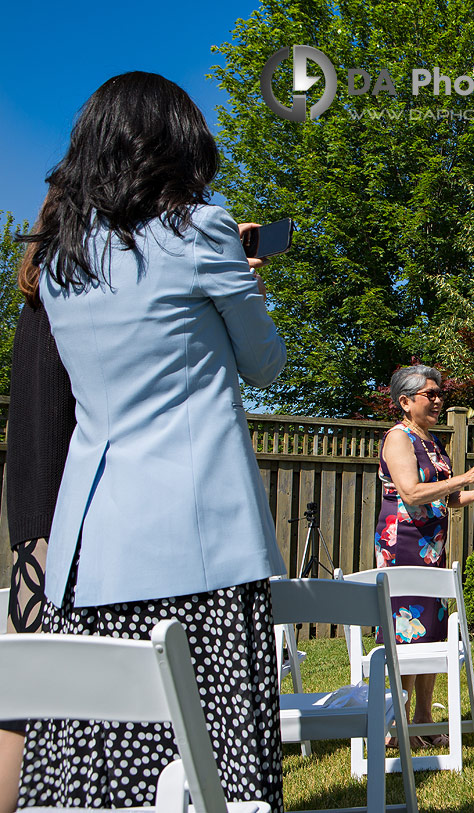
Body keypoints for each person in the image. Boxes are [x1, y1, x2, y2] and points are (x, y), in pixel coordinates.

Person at [17, 72, 287, 810]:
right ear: (177, 146)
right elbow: (266, 363)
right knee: (214, 767)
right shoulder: (201, 230)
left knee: (107, 765)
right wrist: (246, 282)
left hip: (89, 550)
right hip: (199, 544)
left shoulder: (60, 258)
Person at [376, 364, 474, 749]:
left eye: (439, 393)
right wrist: (467, 476)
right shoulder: (398, 438)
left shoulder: (431, 440)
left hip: (431, 549)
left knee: (431, 631)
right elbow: (413, 493)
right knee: (405, 634)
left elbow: (446, 498)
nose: (437, 399)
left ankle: (423, 719)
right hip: (403, 547)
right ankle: (395, 723)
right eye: (428, 394)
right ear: (405, 401)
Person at [0, 245, 75, 813]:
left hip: (31, 511)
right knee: (38, 689)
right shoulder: (74, 294)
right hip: (61, 516)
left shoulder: (41, 291)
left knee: (22, 685)